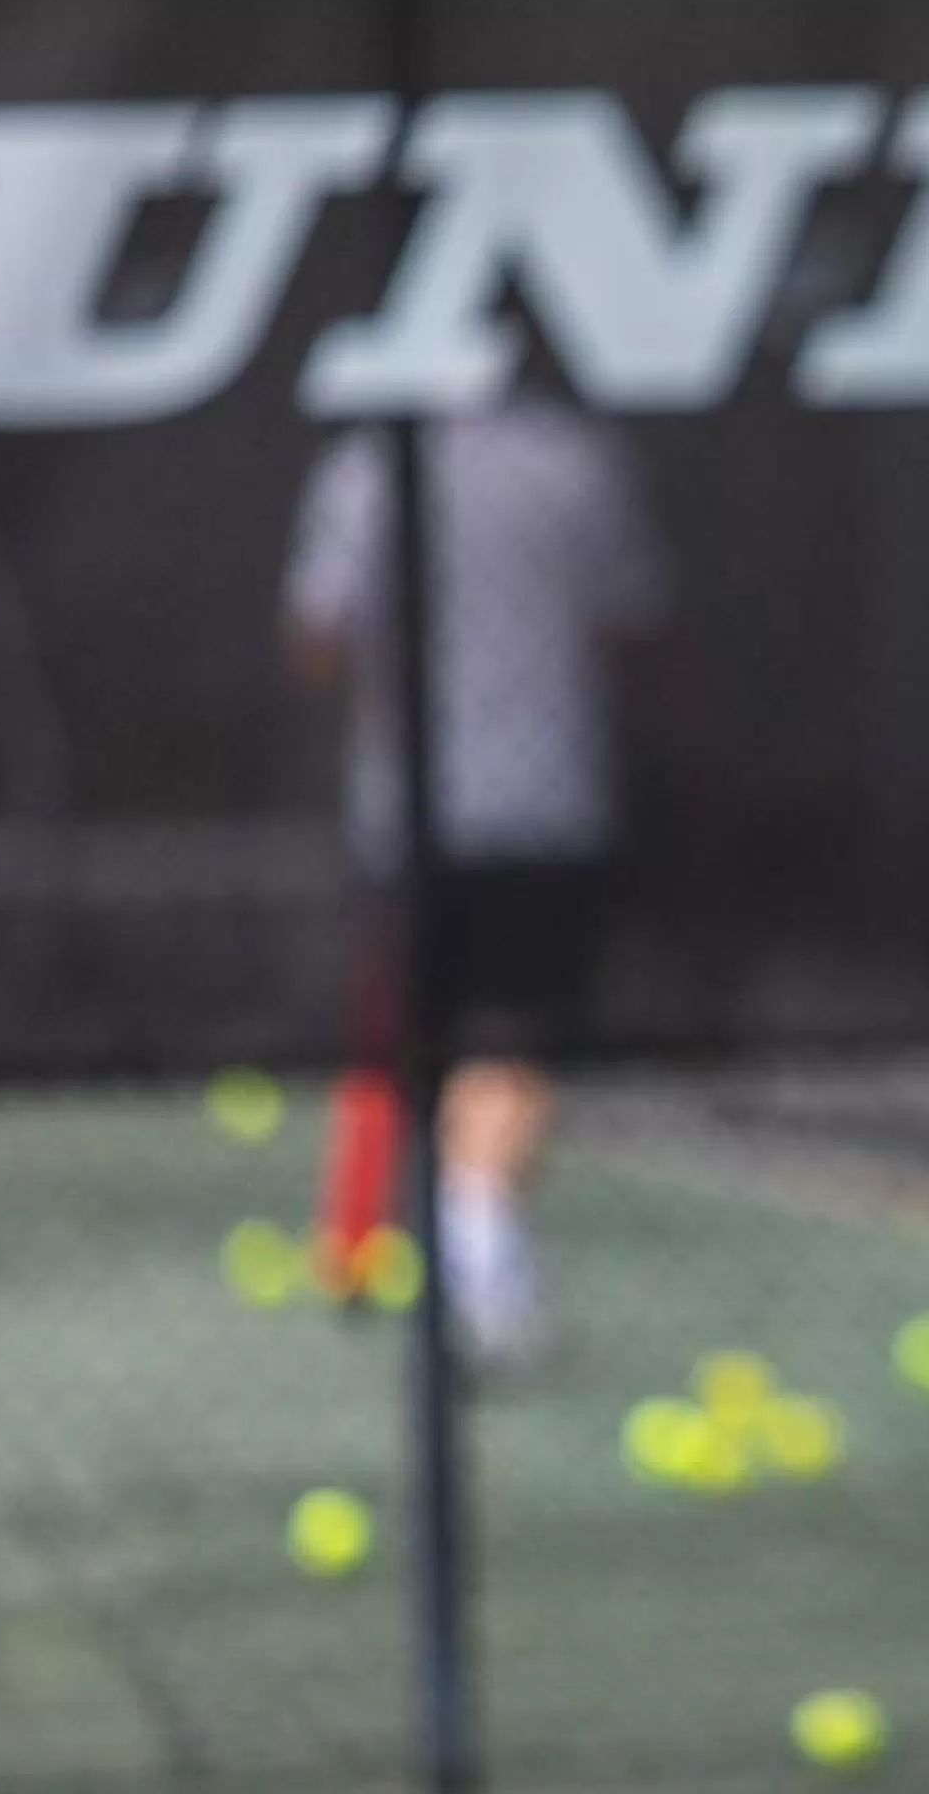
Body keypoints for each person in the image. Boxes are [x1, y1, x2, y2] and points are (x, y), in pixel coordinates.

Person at [283, 388, 668, 1366]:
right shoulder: (574, 462)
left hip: (426, 818)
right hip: (542, 807)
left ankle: (473, 1243)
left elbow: (320, 639)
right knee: (508, 1041)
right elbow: (629, 627)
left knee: (461, 1043)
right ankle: (481, 1247)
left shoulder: (363, 470)